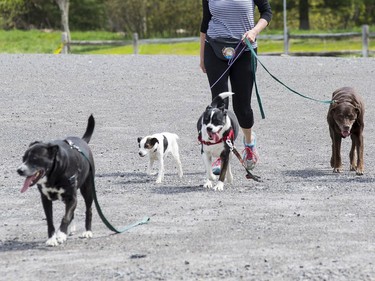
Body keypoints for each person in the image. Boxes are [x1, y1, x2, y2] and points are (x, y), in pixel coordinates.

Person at [200, 0, 272, 173]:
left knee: (242, 106)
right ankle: (220, 154)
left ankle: (249, 143)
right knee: (219, 103)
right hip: (214, 48)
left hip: (244, 49)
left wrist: (254, 31)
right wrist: (202, 56)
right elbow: (205, 20)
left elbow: (267, 13)